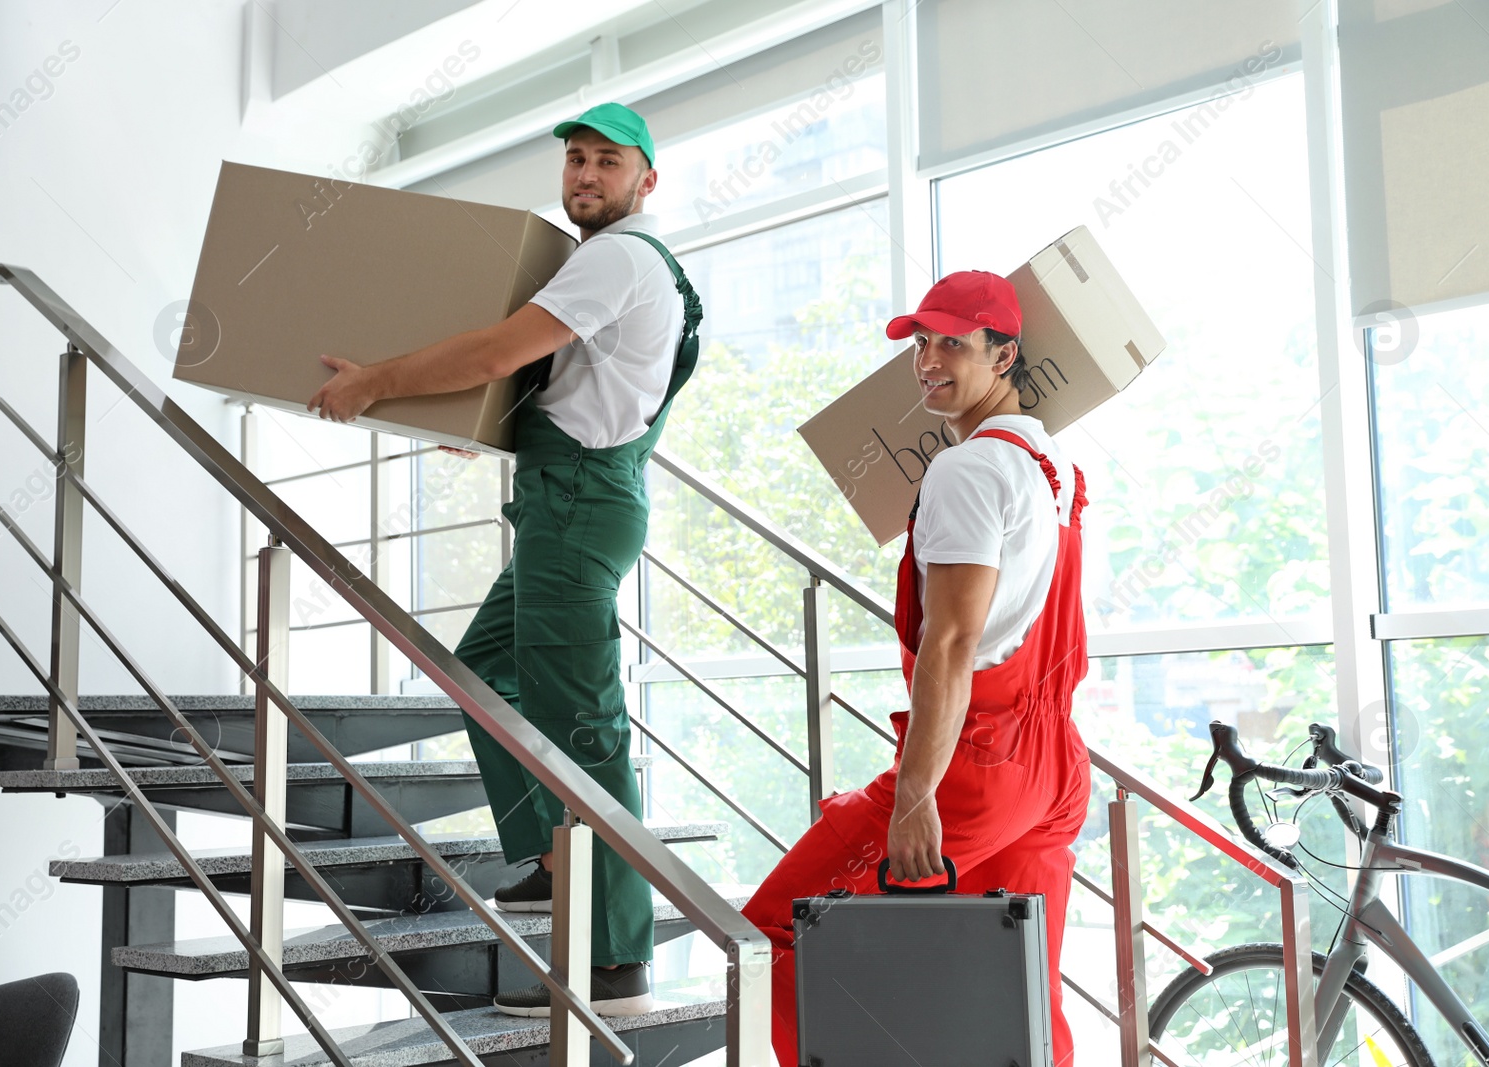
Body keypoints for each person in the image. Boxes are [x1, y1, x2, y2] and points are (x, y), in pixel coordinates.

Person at [306, 101, 702, 1018]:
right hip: (578, 498)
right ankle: (548, 859)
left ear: (648, 178)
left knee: (586, 730)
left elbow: (497, 350)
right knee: (483, 671)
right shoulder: (644, 269)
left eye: (608, 161)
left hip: (576, 510)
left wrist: (375, 381)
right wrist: (479, 426)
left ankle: (613, 959)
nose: (586, 177)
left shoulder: (618, 257)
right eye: (575, 160)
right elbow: (573, 387)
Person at [739, 270, 1091, 1066]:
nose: (930, 361)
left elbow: (953, 644)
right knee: (1016, 981)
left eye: (953, 345)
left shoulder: (966, 471)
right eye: (922, 343)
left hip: (977, 762)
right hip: (1053, 765)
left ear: (1003, 355)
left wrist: (914, 798)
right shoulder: (1052, 462)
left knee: (775, 934)